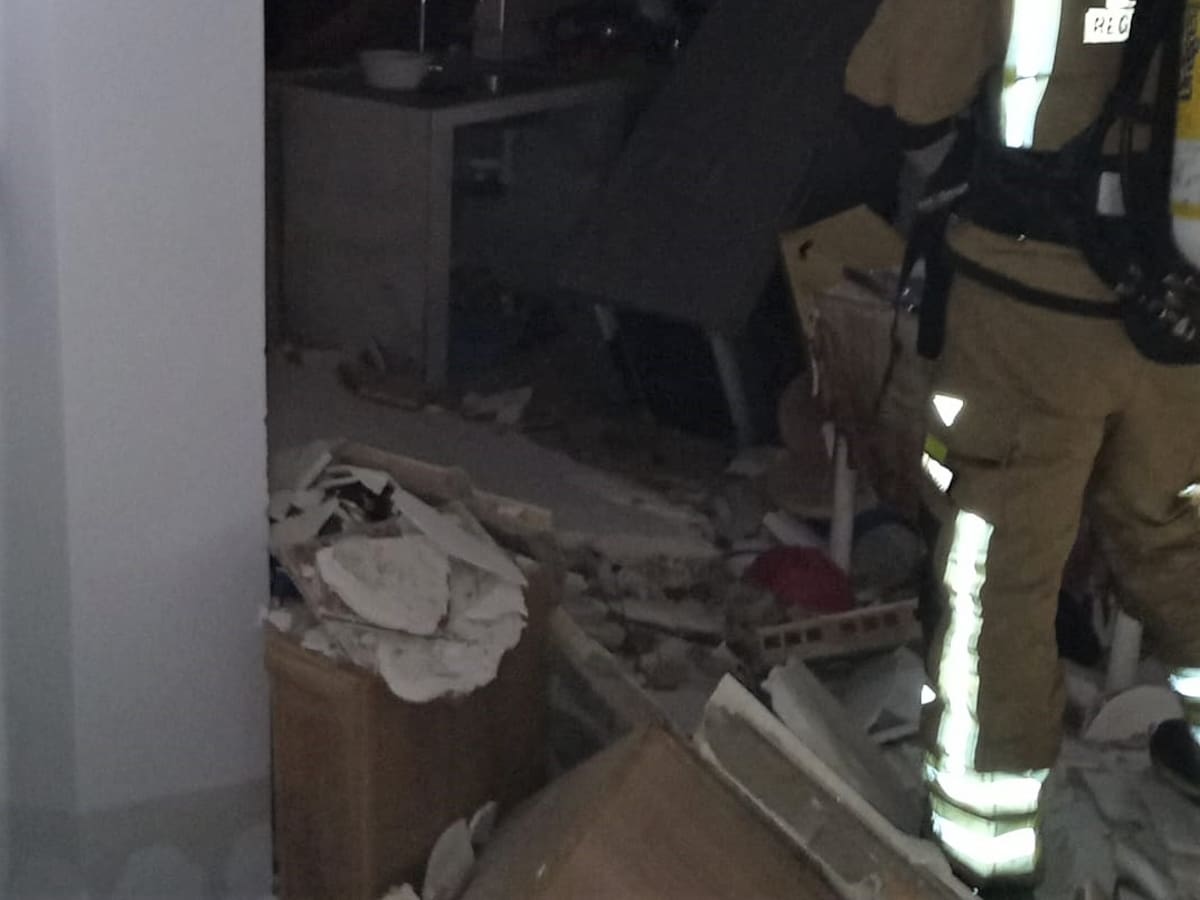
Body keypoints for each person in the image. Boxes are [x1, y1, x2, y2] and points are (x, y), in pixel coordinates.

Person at [844, 0, 1200, 893]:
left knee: (995, 567)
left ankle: (987, 840)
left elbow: (903, 87)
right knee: (1174, 535)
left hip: (1028, 313)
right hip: (1180, 322)